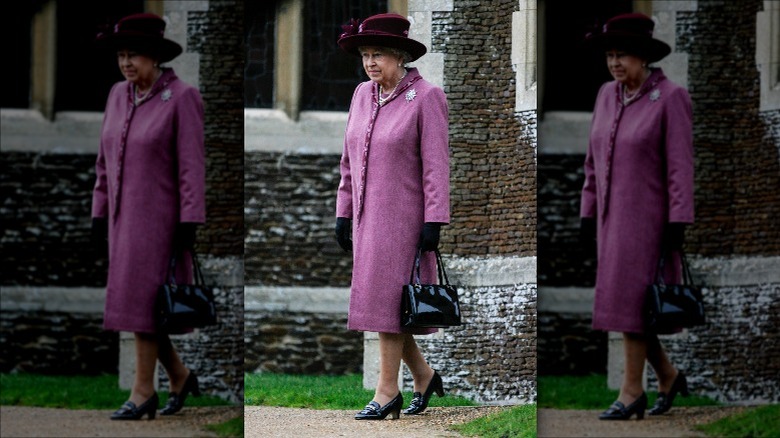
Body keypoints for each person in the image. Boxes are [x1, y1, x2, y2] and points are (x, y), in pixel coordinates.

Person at [335, 13, 451, 420]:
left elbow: (436, 166)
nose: (370, 62)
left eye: (378, 54)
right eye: (366, 54)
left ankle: (386, 393)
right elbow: (348, 161)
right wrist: (343, 212)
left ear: (400, 56)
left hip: (405, 221)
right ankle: (424, 375)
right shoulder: (361, 95)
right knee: (388, 305)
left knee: (387, 303)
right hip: (368, 219)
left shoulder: (427, 97)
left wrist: (434, 221)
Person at [580, 13, 694, 420]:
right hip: (611, 222)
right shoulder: (605, 96)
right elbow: (592, 161)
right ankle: (667, 374)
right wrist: (587, 212)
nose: (615, 63)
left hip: (651, 223)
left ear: (643, 57)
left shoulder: (670, 98)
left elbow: (681, 166)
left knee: (632, 305)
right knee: (628, 305)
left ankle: (631, 393)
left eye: (622, 55)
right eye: (610, 55)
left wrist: (678, 222)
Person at [91, 13, 206, 420]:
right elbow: (104, 163)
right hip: (122, 222)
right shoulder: (116, 95)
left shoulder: (181, 97)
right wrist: (99, 213)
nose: (126, 63)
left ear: (154, 57)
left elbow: (192, 165)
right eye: (121, 55)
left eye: (134, 55)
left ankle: (143, 393)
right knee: (138, 305)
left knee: (143, 305)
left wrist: (189, 222)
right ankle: (178, 374)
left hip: (162, 223)